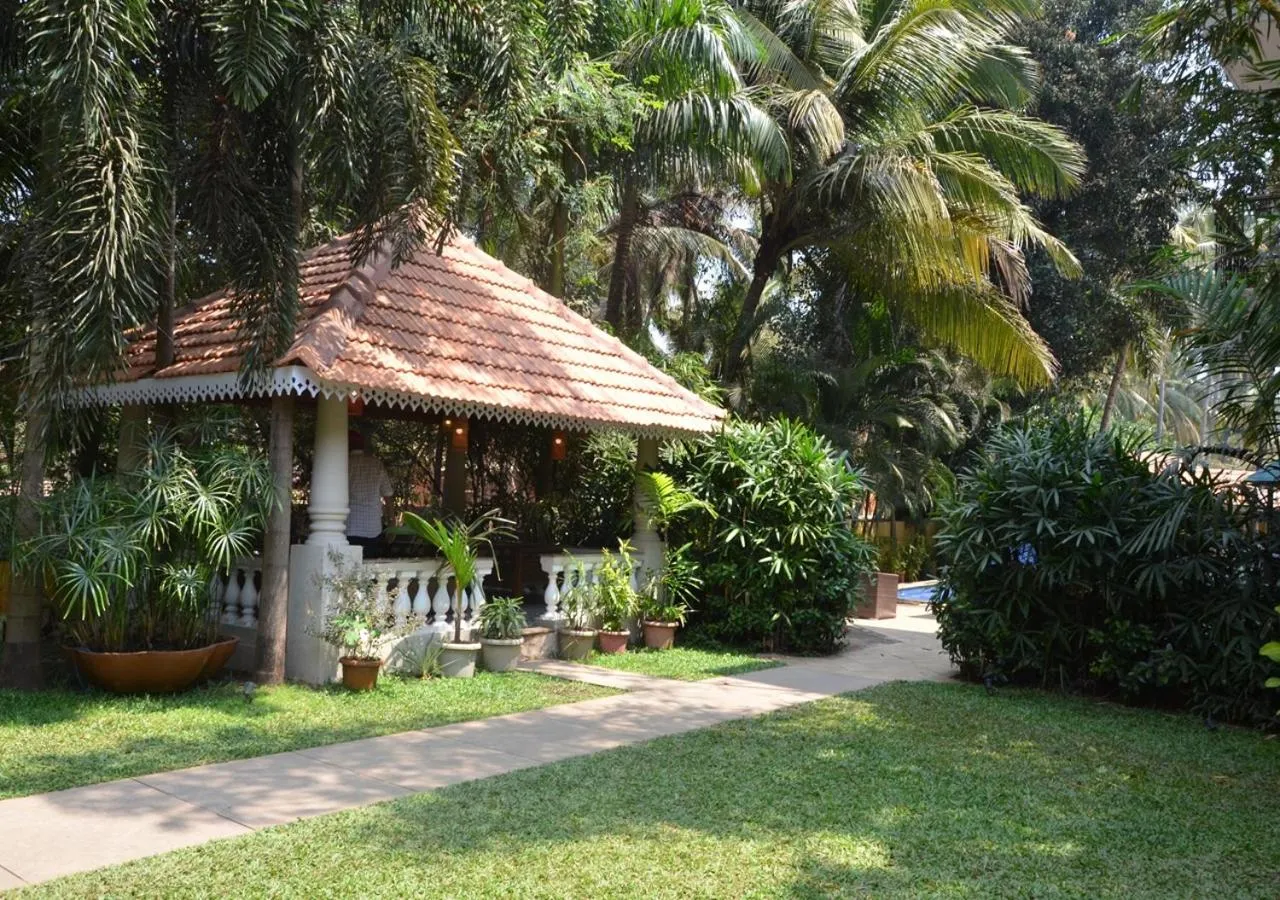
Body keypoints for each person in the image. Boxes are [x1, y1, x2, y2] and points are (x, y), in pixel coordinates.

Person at [347, 431, 393, 550]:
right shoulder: (376, 464)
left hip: (349, 525)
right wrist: (391, 524)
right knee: (370, 565)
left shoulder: (343, 464)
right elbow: (388, 496)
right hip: (372, 528)